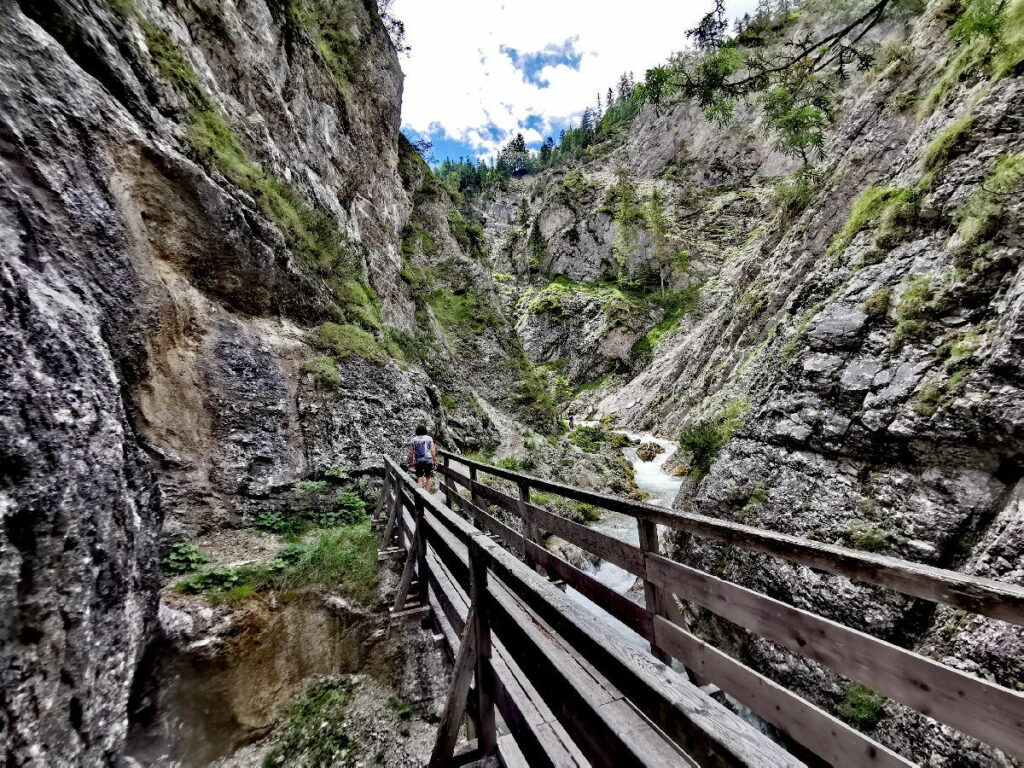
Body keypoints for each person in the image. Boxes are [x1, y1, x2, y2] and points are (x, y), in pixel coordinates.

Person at [408, 424, 437, 492]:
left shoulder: (413, 440)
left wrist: (412, 462)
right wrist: (434, 460)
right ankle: (426, 495)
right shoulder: (429, 438)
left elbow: (411, 452)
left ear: (417, 431)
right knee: (428, 477)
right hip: (428, 460)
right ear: (425, 431)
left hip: (418, 460)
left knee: (419, 478)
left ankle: (420, 494)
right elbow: (433, 450)